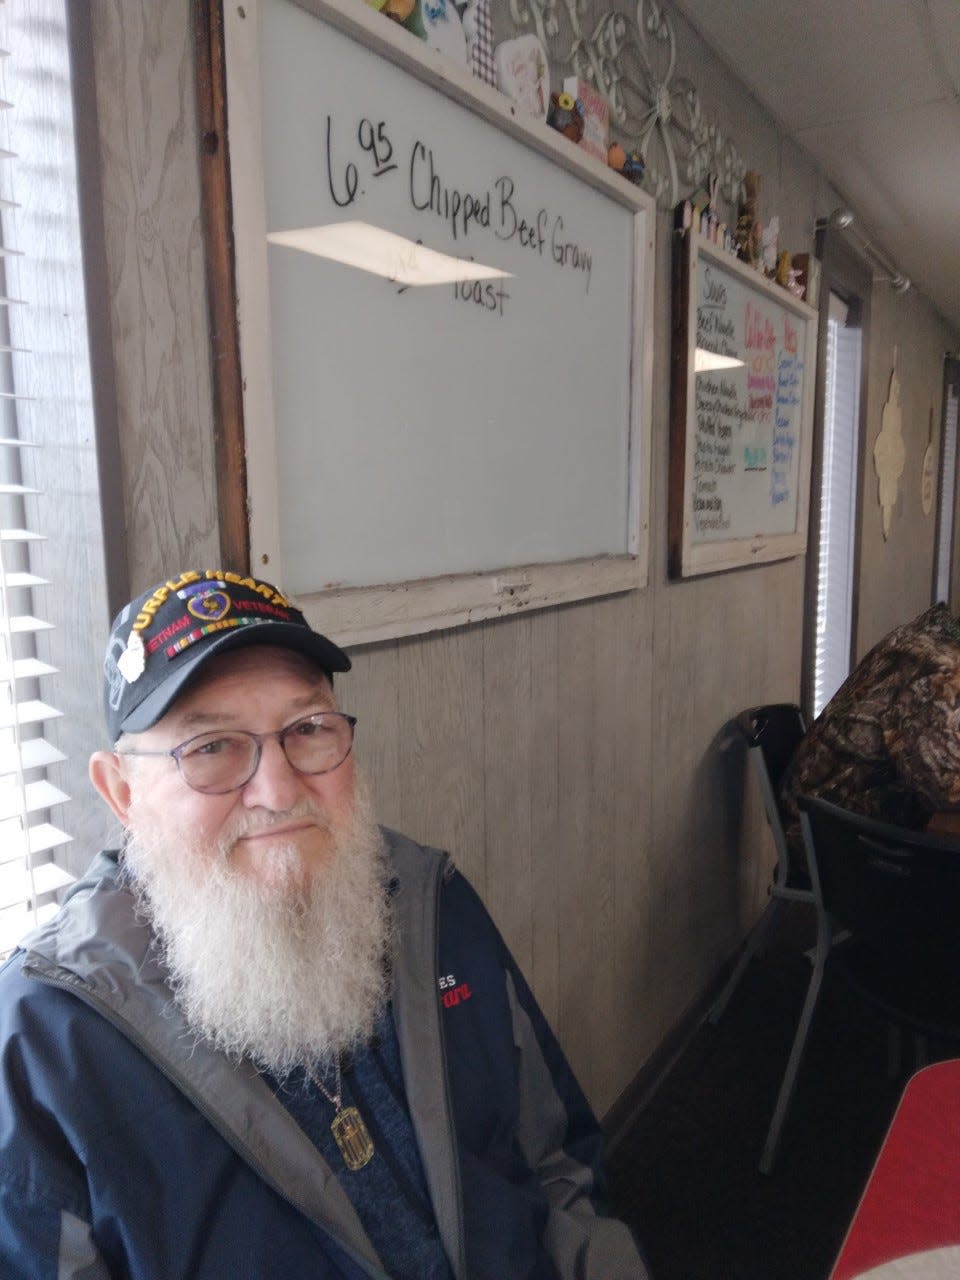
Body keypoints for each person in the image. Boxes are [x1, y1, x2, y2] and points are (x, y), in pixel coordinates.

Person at [0, 568, 648, 1280]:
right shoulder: (44, 1050)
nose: (277, 791)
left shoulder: (428, 904)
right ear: (121, 792)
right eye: (212, 747)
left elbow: (556, 1170)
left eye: (306, 730)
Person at [779, 602, 960, 865]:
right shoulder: (940, 671)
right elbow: (945, 788)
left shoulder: (930, 637)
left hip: (830, 815)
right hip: (835, 836)